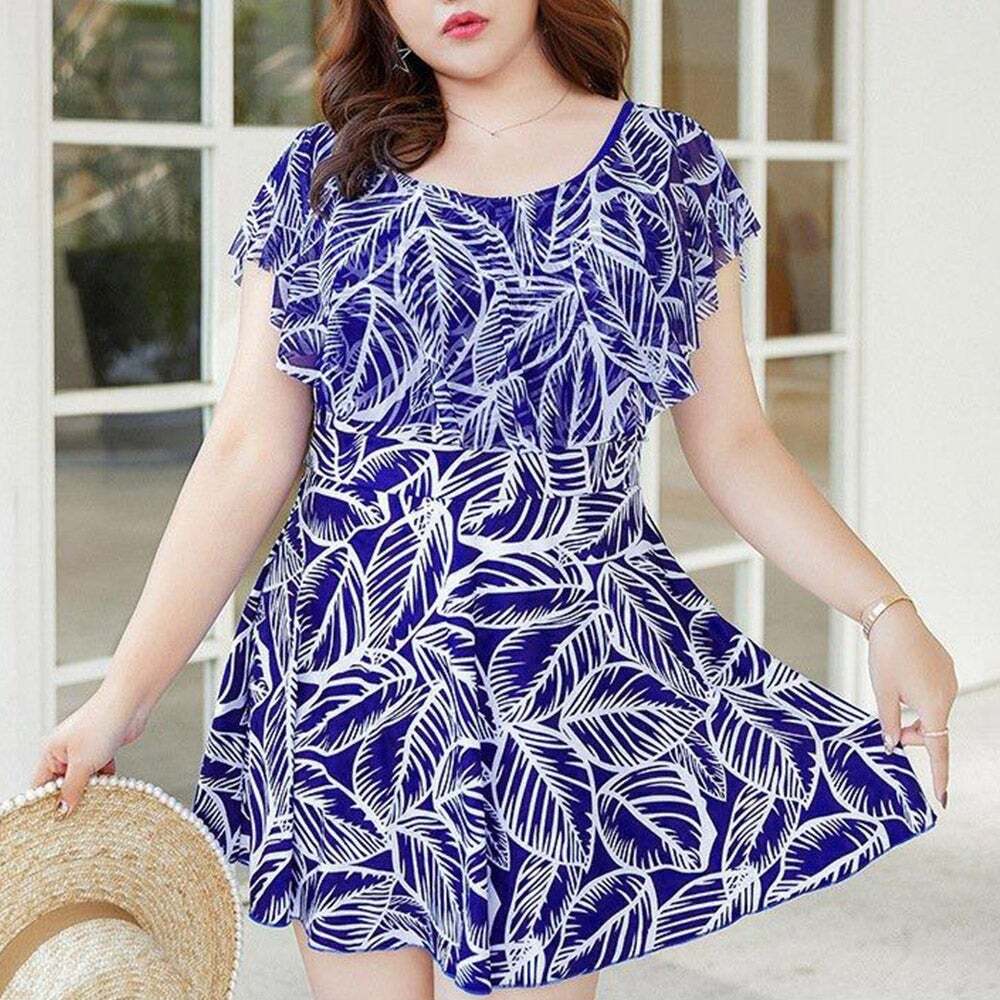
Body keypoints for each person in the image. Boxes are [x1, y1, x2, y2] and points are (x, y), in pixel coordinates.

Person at [32, 2, 958, 999]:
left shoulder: (665, 169)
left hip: (560, 687)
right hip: (352, 682)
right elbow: (246, 453)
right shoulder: (324, 180)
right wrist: (122, 697)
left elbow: (732, 442)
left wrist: (886, 609)